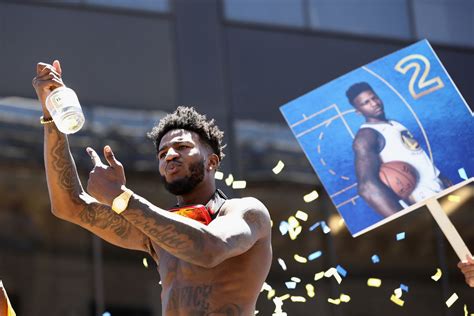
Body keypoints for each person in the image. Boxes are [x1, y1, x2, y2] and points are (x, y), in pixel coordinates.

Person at [32, 60, 272, 315]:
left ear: (212, 161)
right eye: (162, 153)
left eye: (181, 147)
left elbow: (210, 248)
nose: (169, 156)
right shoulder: (156, 231)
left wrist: (122, 198)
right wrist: (52, 114)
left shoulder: (246, 211)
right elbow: (69, 205)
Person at [346, 82, 451, 217]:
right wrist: (405, 220)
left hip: (441, 191)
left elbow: (416, 157)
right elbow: (366, 187)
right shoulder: (366, 136)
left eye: (374, 98)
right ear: (358, 111)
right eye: (366, 103)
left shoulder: (394, 124)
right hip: (424, 202)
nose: (374, 103)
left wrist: (441, 178)